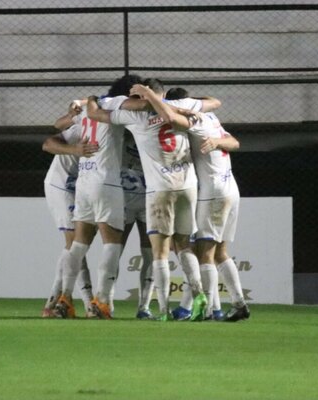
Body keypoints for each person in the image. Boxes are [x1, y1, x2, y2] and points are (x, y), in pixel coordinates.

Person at [86, 78, 219, 321]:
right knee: (184, 244)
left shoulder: (135, 117)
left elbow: (96, 115)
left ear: (140, 97)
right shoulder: (180, 106)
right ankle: (200, 298)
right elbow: (213, 102)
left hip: (160, 189)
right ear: (164, 94)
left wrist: (92, 99)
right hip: (188, 186)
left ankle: (164, 310)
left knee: (159, 253)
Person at [131, 85, 250, 322]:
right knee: (219, 252)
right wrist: (217, 141)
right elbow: (235, 142)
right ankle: (234, 304)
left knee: (204, 253)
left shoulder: (194, 121)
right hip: (230, 188)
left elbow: (169, 117)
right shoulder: (212, 119)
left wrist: (152, 98)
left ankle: (210, 309)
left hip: (212, 190)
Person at [54, 74, 144, 319]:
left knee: (79, 244)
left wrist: (85, 100)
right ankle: (101, 302)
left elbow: (58, 126)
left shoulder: (88, 111)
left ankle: (65, 297)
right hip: (106, 182)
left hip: (84, 180)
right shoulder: (116, 104)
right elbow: (138, 106)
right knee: (111, 242)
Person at [40, 114, 99, 318]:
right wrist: (75, 150)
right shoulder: (88, 126)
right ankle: (88, 303)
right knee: (75, 242)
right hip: (61, 185)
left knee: (74, 246)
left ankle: (54, 302)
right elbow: (48, 144)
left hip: (83, 188)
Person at [120, 131, 154, 319]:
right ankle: (105, 303)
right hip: (124, 199)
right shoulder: (121, 132)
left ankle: (144, 306)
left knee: (150, 252)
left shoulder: (154, 130)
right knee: (115, 250)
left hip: (149, 199)